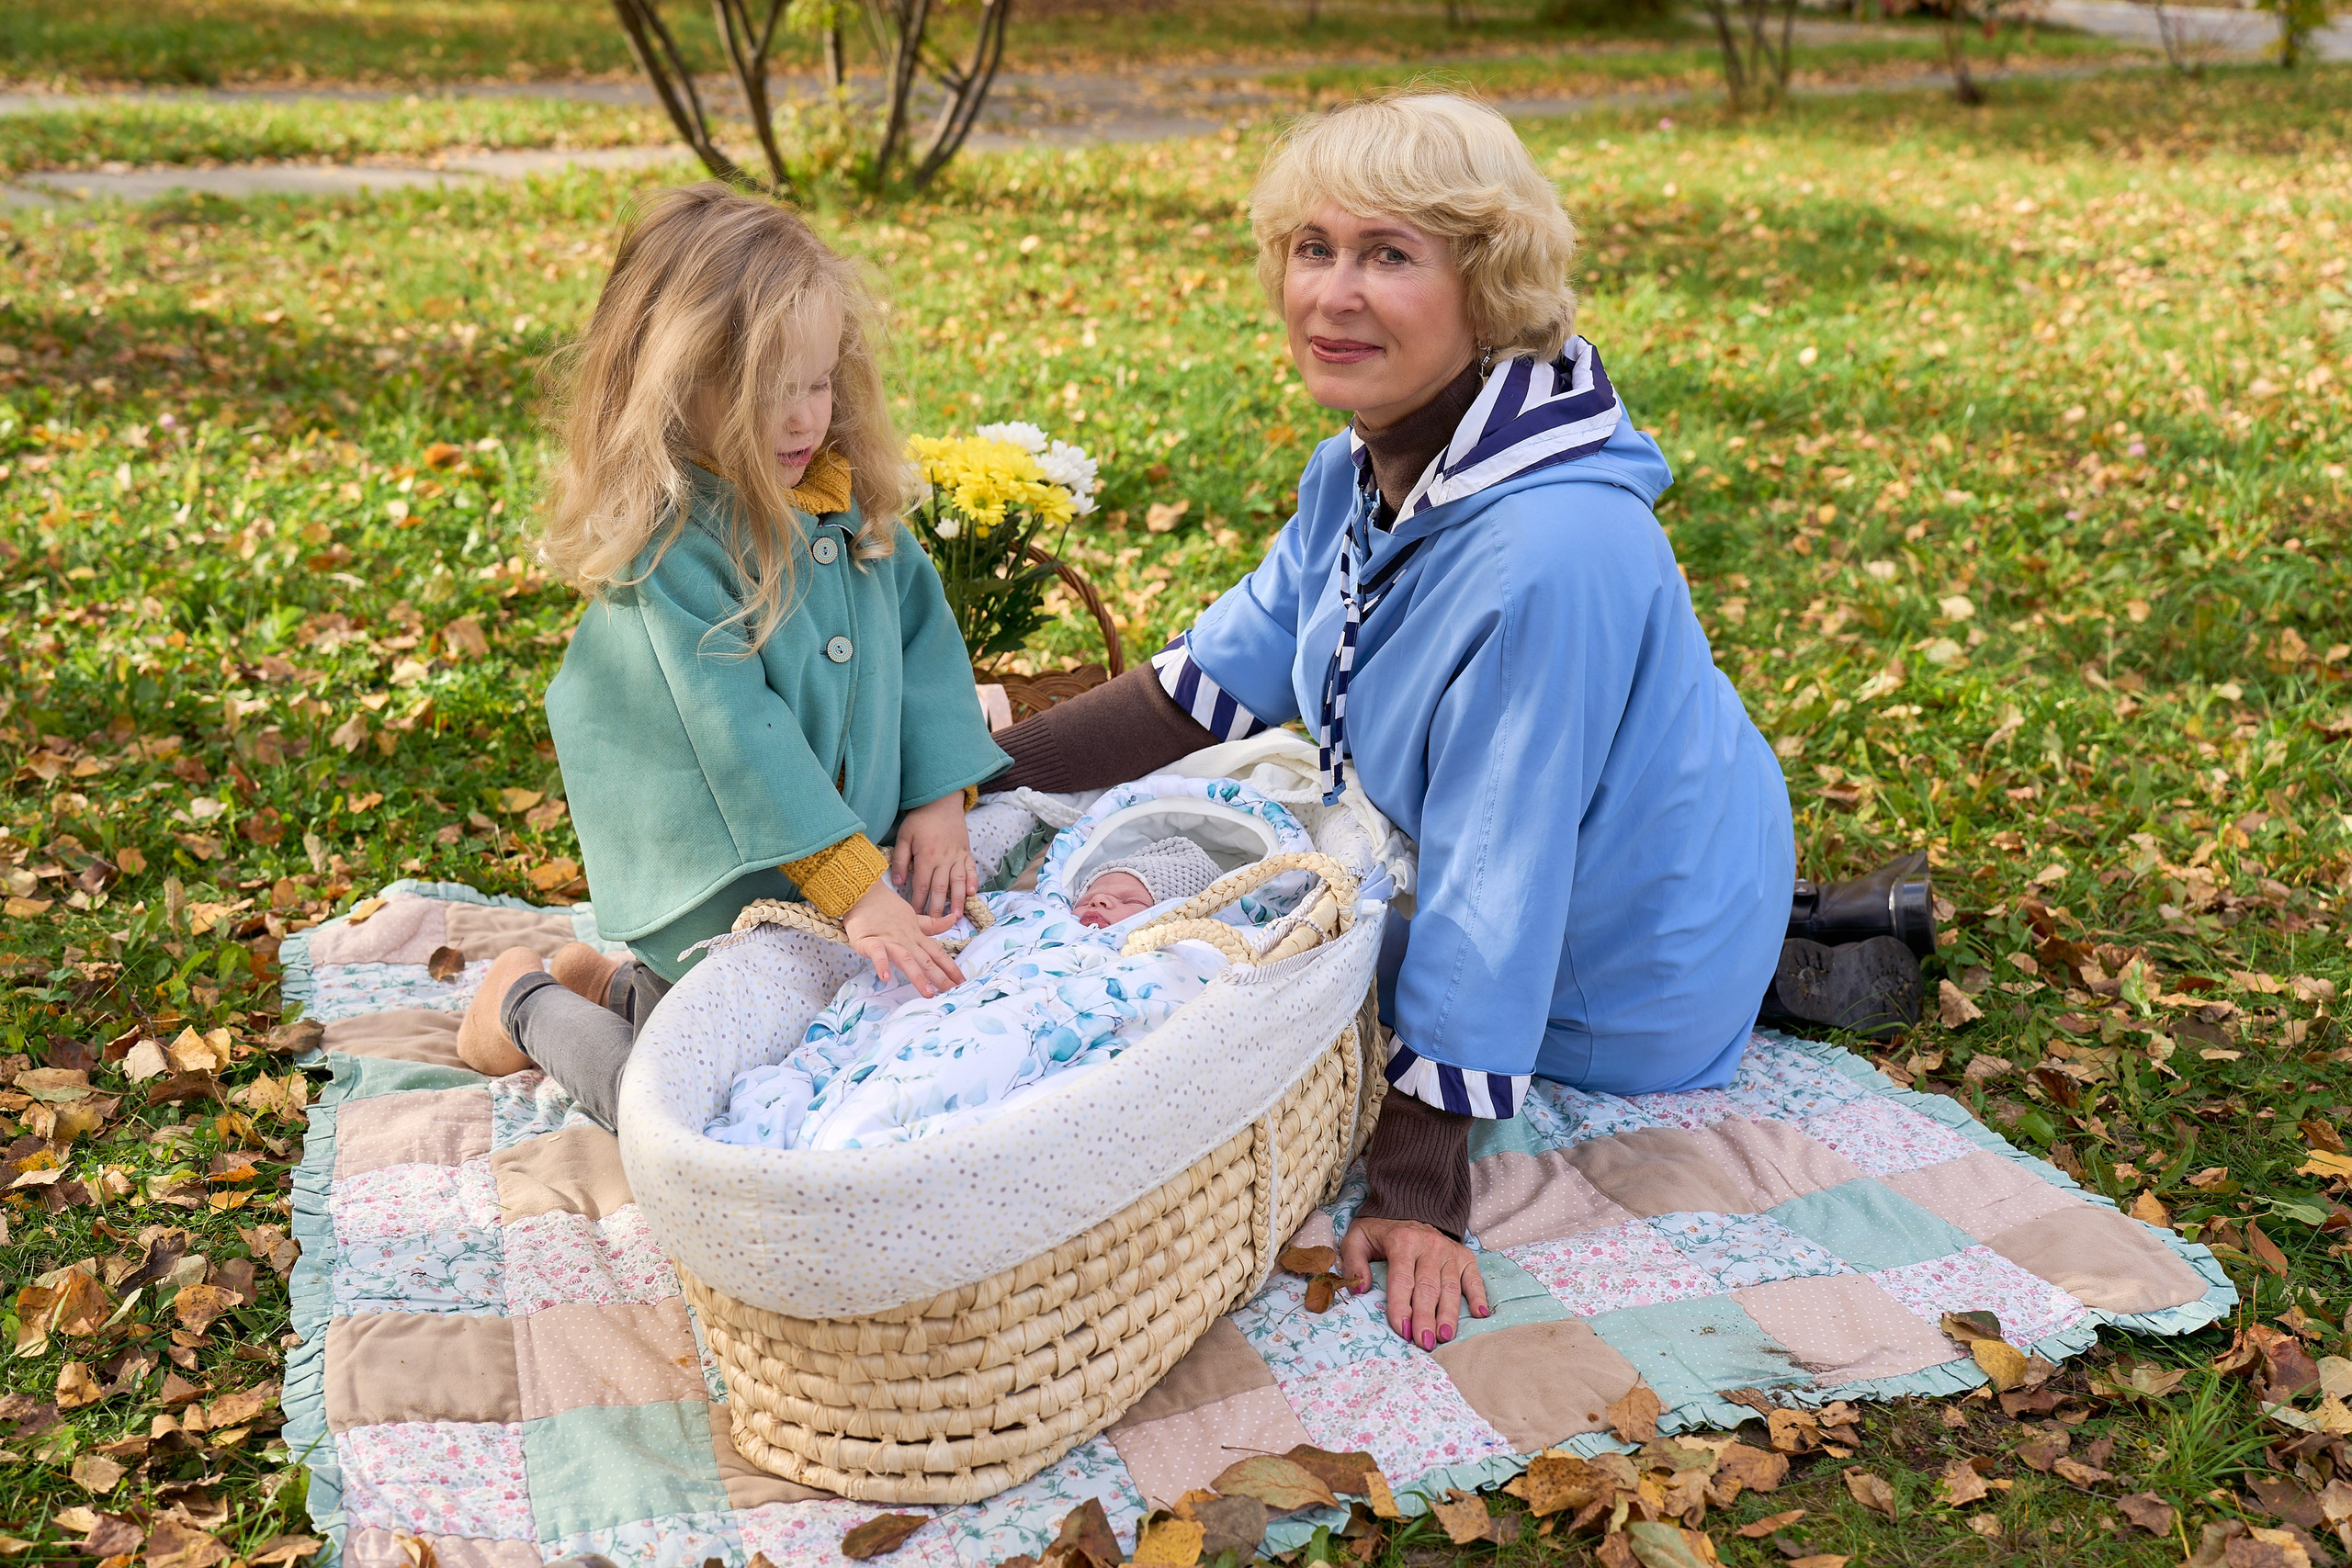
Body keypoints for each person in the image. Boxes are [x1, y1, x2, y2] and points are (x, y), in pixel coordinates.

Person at [988, 93, 1929, 1354]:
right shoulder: (1367, 467)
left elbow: (1498, 873)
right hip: (1618, 867)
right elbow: (1198, 685)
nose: (1332, 292)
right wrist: (961, 778)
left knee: (1187, 974)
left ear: (1489, 288)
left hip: (1621, 969)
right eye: (1312, 249)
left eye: (1389, 255)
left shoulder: (1548, 547)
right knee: (1176, 903)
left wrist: (1422, 1180)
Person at [454, 184, 1007, 1127]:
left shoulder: (846, 503)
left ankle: (613, 990)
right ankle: (520, 998)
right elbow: (738, 740)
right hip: (722, 884)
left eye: (818, 383)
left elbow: (924, 655)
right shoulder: (674, 556)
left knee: (820, 1054)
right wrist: (859, 890)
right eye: (766, 392)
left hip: (844, 865)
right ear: (675, 387)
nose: (801, 421)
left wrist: (938, 801)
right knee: (682, 1112)